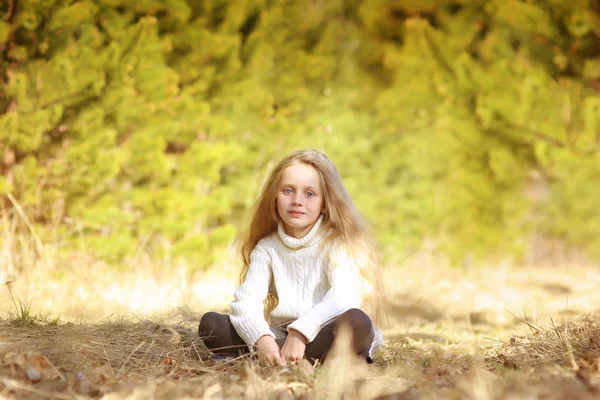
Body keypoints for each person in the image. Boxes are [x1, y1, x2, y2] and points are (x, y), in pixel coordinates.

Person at [198, 149, 383, 366]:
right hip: (280, 338)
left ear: (324, 203)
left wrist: (300, 333)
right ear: (274, 198)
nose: (297, 200)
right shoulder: (267, 248)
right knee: (211, 324)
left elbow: (342, 298)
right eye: (288, 190)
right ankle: (283, 358)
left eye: (309, 194)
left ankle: (319, 358)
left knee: (357, 322)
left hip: (324, 333)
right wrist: (263, 341)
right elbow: (245, 303)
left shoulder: (336, 244)